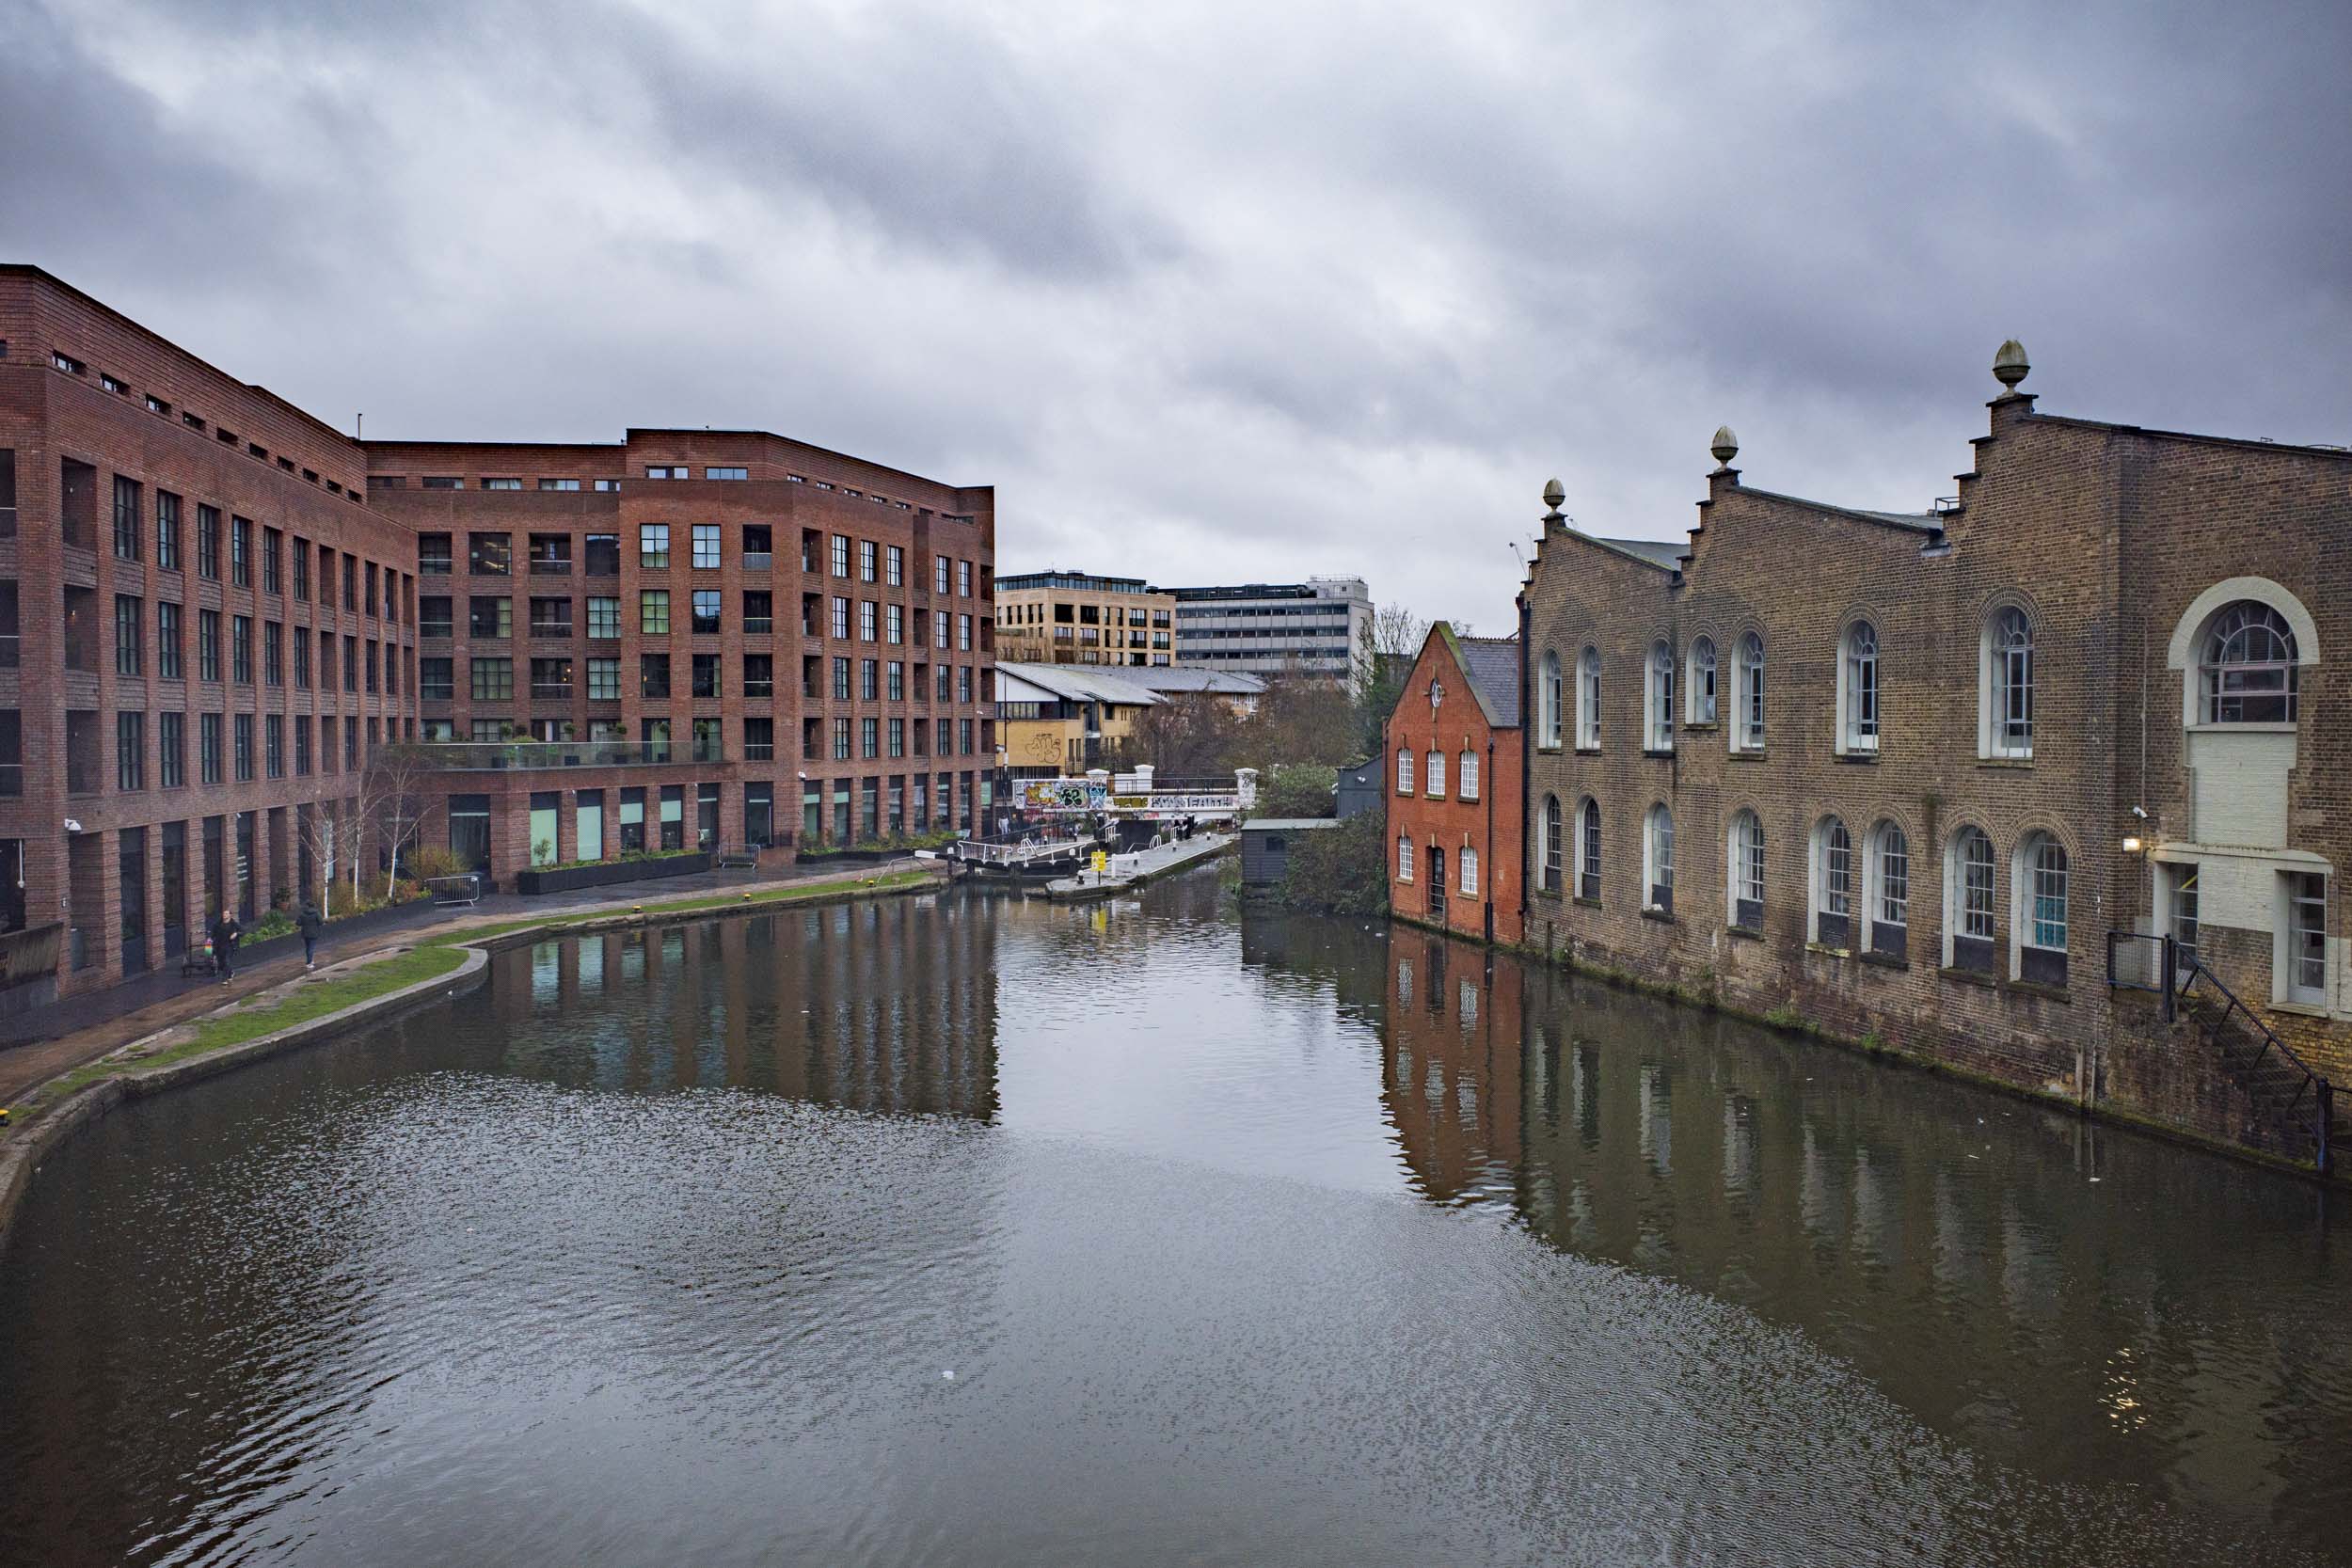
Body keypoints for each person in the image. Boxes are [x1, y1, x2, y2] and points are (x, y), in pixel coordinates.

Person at [208, 910, 244, 984]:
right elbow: (212, 934)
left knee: (227, 961)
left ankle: (224, 979)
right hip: (219, 945)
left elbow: (243, 932)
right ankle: (230, 973)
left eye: (226, 914)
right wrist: (209, 941)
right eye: (223, 914)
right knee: (221, 963)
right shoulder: (218, 924)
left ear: (230, 915)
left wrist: (236, 934)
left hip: (230, 945)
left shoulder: (234, 924)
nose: (224, 915)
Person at [297, 901, 326, 970]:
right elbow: (321, 922)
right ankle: (309, 963)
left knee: (308, 948)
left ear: (307, 906)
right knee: (311, 948)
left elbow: (298, 923)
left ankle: (310, 961)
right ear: (314, 906)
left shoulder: (302, 913)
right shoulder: (316, 913)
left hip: (305, 933)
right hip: (314, 933)